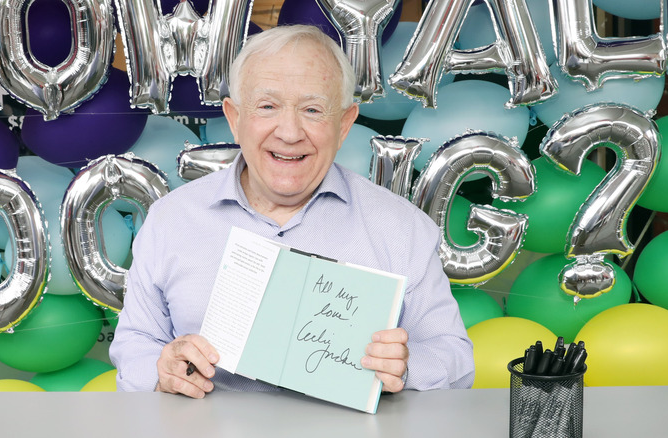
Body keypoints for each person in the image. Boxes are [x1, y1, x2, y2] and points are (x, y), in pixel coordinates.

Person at [110, 24, 474, 399]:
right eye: (267, 107)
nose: (289, 132)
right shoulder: (171, 219)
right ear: (234, 118)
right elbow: (136, 342)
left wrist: (406, 364)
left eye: (312, 110)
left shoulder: (401, 227)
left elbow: (455, 358)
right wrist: (160, 368)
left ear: (344, 123)